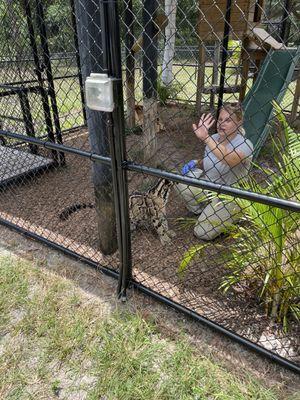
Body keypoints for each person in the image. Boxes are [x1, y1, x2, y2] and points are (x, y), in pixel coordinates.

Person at [176, 102, 254, 240]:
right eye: (220, 119)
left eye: (228, 120)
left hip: (230, 196)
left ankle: (235, 214)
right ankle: (202, 211)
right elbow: (211, 159)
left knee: (201, 232)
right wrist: (196, 162)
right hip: (209, 186)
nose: (221, 124)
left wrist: (205, 138)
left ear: (239, 122)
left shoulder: (245, 144)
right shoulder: (214, 139)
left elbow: (229, 159)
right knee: (180, 183)